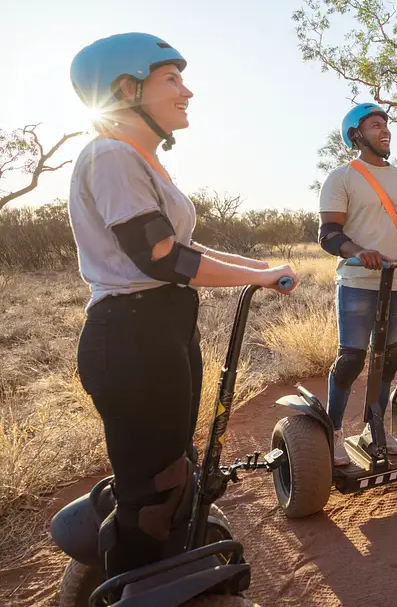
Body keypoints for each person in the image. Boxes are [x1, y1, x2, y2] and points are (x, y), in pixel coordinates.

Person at [68, 32, 298, 579]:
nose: (187, 90)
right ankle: (136, 581)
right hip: (130, 335)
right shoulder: (111, 155)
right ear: (125, 89)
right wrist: (258, 274)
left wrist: (261, 274)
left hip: (161, 328)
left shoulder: (138, 160)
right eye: (171, 78)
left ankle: (162, 565)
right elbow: (161, 256)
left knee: (174, 467)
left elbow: (184, 250)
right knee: (153, 489)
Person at [317, 103, 397, 466]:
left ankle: (374, 428)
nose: (384, 131)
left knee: (388, 356)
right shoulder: (342, 177)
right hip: (357, 280)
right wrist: (358, 251)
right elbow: (329, 234)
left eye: (385, 125)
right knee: (352, 359)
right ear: (356, 135)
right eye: (374, 125)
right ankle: (331, 432)